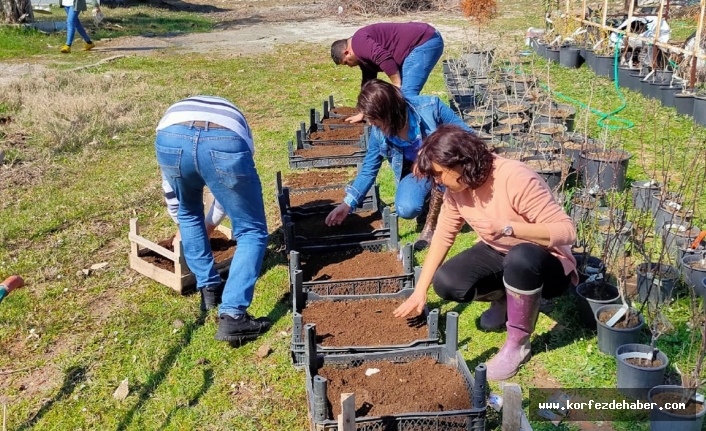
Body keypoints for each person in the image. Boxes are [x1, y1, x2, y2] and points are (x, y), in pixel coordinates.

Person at [393, 125, 578, 380]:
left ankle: (518, 343)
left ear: (460, 163)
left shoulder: (513, 178)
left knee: (521, 257)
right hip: (500, 251)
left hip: (545, 263)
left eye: (438, 174)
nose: (436, 181)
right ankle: (506, 299)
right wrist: (420, 291)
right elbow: (444, 235)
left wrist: (510, 228)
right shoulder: (458, 189)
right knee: (447, 282)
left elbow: (567, 231)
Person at [155, 96, 271, 343]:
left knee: (188, 212)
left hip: (170, 136)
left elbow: (173, 194)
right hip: (224, 139)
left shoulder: (177, 116)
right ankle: (233, 316)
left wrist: (184, 224)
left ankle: (209, 288)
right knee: (251, 230)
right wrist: (210, 225)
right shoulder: (235, 128)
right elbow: (228, 199)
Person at [324, 79, 473, 251]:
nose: (373, 125)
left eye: (377, 121)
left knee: (443, 172)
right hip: (419, 174)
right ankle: (430, 204)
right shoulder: (378, 133)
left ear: (390, 114)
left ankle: (431, 226)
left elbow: (468, 136)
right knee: (406, 208)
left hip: (449, 167)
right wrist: (347, 204)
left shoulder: (431, 107)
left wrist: (429, 155)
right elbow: (368, 170)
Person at [330, 22, 444, 123]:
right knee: (402, 96)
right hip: (420, 40)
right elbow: (368, 81)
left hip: (424, 41)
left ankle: (416, 133)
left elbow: (384, 58)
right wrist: (362, 112)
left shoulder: (359, 44)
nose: (349, 66)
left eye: (346, 63)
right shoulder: (360, 52)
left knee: (406, 95)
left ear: (347, 53)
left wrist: (396, 84)